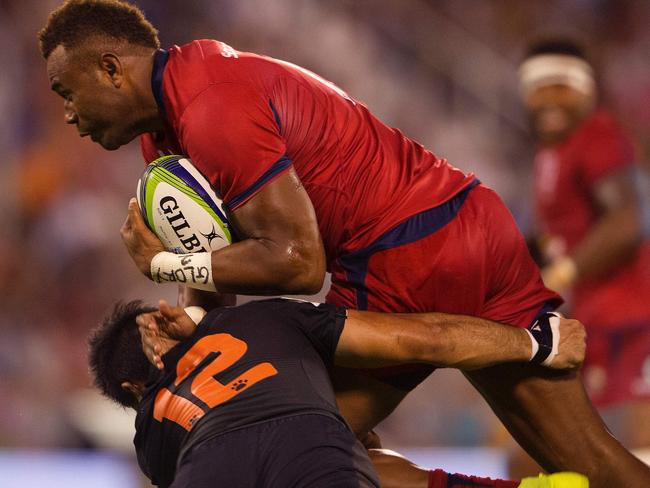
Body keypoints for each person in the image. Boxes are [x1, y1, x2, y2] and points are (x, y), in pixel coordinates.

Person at [40, 1, 650, 485]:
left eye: (68, 93)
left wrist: (163, 261)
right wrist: (194, 320)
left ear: (111, 69)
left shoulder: (209, 107)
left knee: (269, 440)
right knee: (596, 465)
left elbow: (298, 263)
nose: (68, 115)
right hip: (467, 219)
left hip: (405, 253)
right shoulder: (178, 114)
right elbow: (220, 266)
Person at [89, 297, 587, 487]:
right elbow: (423, 338)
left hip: (209, 459)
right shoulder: (268, 316)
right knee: (374, 463)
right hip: (308, 437)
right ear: (161, 331)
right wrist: (535, 344)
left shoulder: (149, 429)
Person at [517, 39, 650, 470]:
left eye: (563, 84)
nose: (550, 96)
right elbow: (554, 234)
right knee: (562, 451)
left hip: (631, 315)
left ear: (589, 91)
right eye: (539, 85)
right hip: (595, 317)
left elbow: (628, 221)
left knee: (634, 446)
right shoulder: (549, 154)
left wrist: (563, 273)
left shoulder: (598, 135)